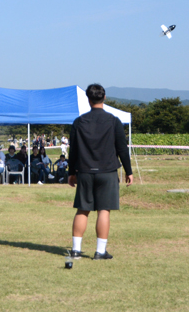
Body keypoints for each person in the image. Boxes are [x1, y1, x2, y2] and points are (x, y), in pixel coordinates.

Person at [68, 84, 133, 260]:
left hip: (85, 171)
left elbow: (73, 150)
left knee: (82, 210)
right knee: (104, 210)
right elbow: (122, 149)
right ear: (104, 98)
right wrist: (129, 171)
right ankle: (100, 251)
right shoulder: (114, 121)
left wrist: (71, 172)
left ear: (88, 99)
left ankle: (75, 250)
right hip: (108, 172)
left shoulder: (78, 122)